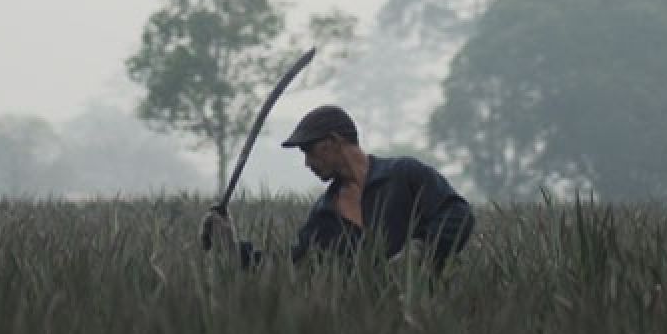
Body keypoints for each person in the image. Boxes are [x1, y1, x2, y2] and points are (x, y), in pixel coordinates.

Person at [198, 105, 475, 272]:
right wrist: (230, 247)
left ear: (334, 141)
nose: (307, 163)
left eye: (310, 151)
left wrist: (420, 251)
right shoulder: (325, 214)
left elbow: (458, 213)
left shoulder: (403, 174)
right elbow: (291, 267)